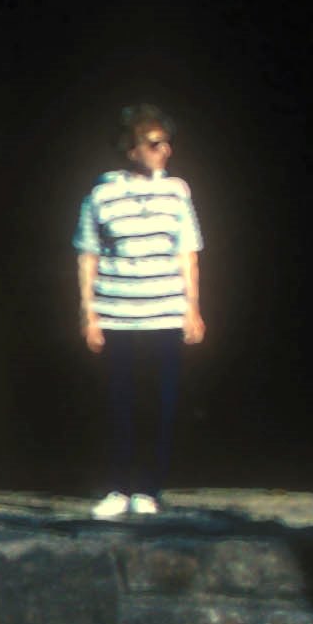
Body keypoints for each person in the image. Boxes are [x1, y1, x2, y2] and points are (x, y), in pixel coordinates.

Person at [72, 103, 203, 518]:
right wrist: (88, 314)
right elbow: (87, 255)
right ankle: (117, 487)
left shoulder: (177, 192)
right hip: (116, 312)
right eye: (153, 144)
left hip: (164, 312)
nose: (163, 150)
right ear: (131, 150)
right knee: (118, 401)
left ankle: (149, 488)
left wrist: (193, 310)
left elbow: (188, 253)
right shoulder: (101, 195)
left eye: (166, 143)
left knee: (158, 402)